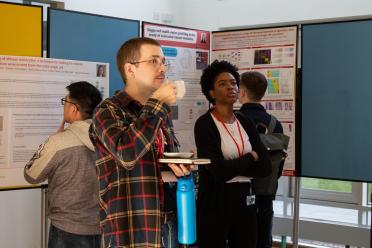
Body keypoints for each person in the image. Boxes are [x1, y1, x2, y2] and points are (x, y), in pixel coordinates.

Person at [89, 37, 191, 247]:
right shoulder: (108, 110)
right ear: (130, 69)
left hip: (168, 221)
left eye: (163, 61)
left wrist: (179, 166)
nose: (162, 67)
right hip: (132, 227)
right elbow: (126, 154)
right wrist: (157, 104)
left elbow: (156, 162)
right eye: (153, 61)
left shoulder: (160, 112)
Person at [194, 60, 271, 248]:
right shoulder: (204, 124)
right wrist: (249, 157)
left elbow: (265, 167)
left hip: (245, 201)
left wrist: (231, 166)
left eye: (234, 83)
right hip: (215, 202)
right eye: (222, 84)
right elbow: (218, 172)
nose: (231, 87)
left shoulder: (245, 121)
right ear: (211, 93)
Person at [24, 81, 102, 248]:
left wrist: (50, 143)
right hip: (99, 228)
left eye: (65, 102)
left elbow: (31, 175)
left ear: (74, 108)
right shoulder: (108, 140)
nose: (64, 106)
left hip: (65, 231)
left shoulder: (58, 142)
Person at [239, 71, 284, 248]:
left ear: (241, 93)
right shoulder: (274, 124)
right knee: (263, 239)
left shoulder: (234, 120)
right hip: (266, 192)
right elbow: (278, 164)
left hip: (238, 195)